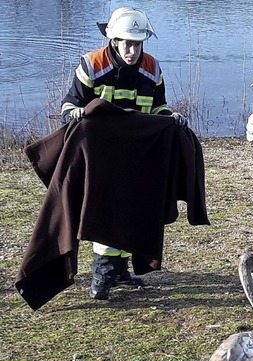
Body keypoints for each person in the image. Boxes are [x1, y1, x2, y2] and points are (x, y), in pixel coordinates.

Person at [61, 7, 188, 301]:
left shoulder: (153, 69)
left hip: (137, 155)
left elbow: (157, 109)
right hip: (100, 157)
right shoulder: (91, 65)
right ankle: (101, 276)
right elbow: (68, 107)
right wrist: (77, 113)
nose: (132, 50)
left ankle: (120, 271)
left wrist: (171, 118)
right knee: (107, 212)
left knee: (132, 211)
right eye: (126, 43)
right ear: (114, 40)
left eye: (137, 43)